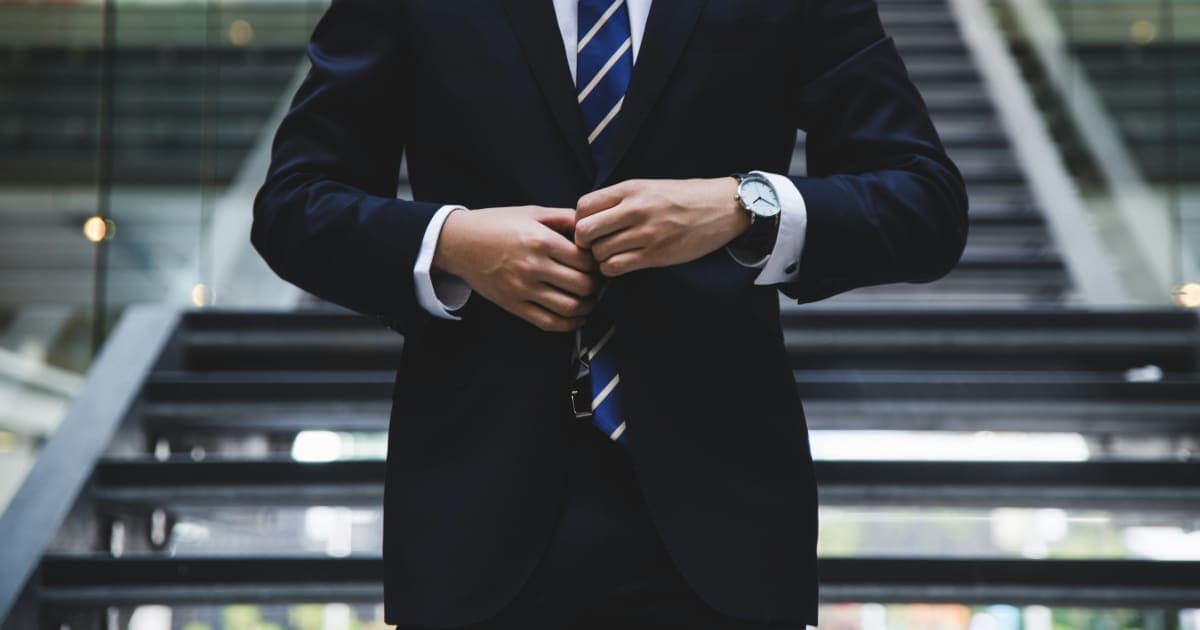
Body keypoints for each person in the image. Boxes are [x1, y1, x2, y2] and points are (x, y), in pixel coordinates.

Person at [252, 0, 968, 627]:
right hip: (476, 512)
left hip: (724, 517)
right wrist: (452, 243)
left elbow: (925, 203)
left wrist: (744, 205)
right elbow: (293, 204)